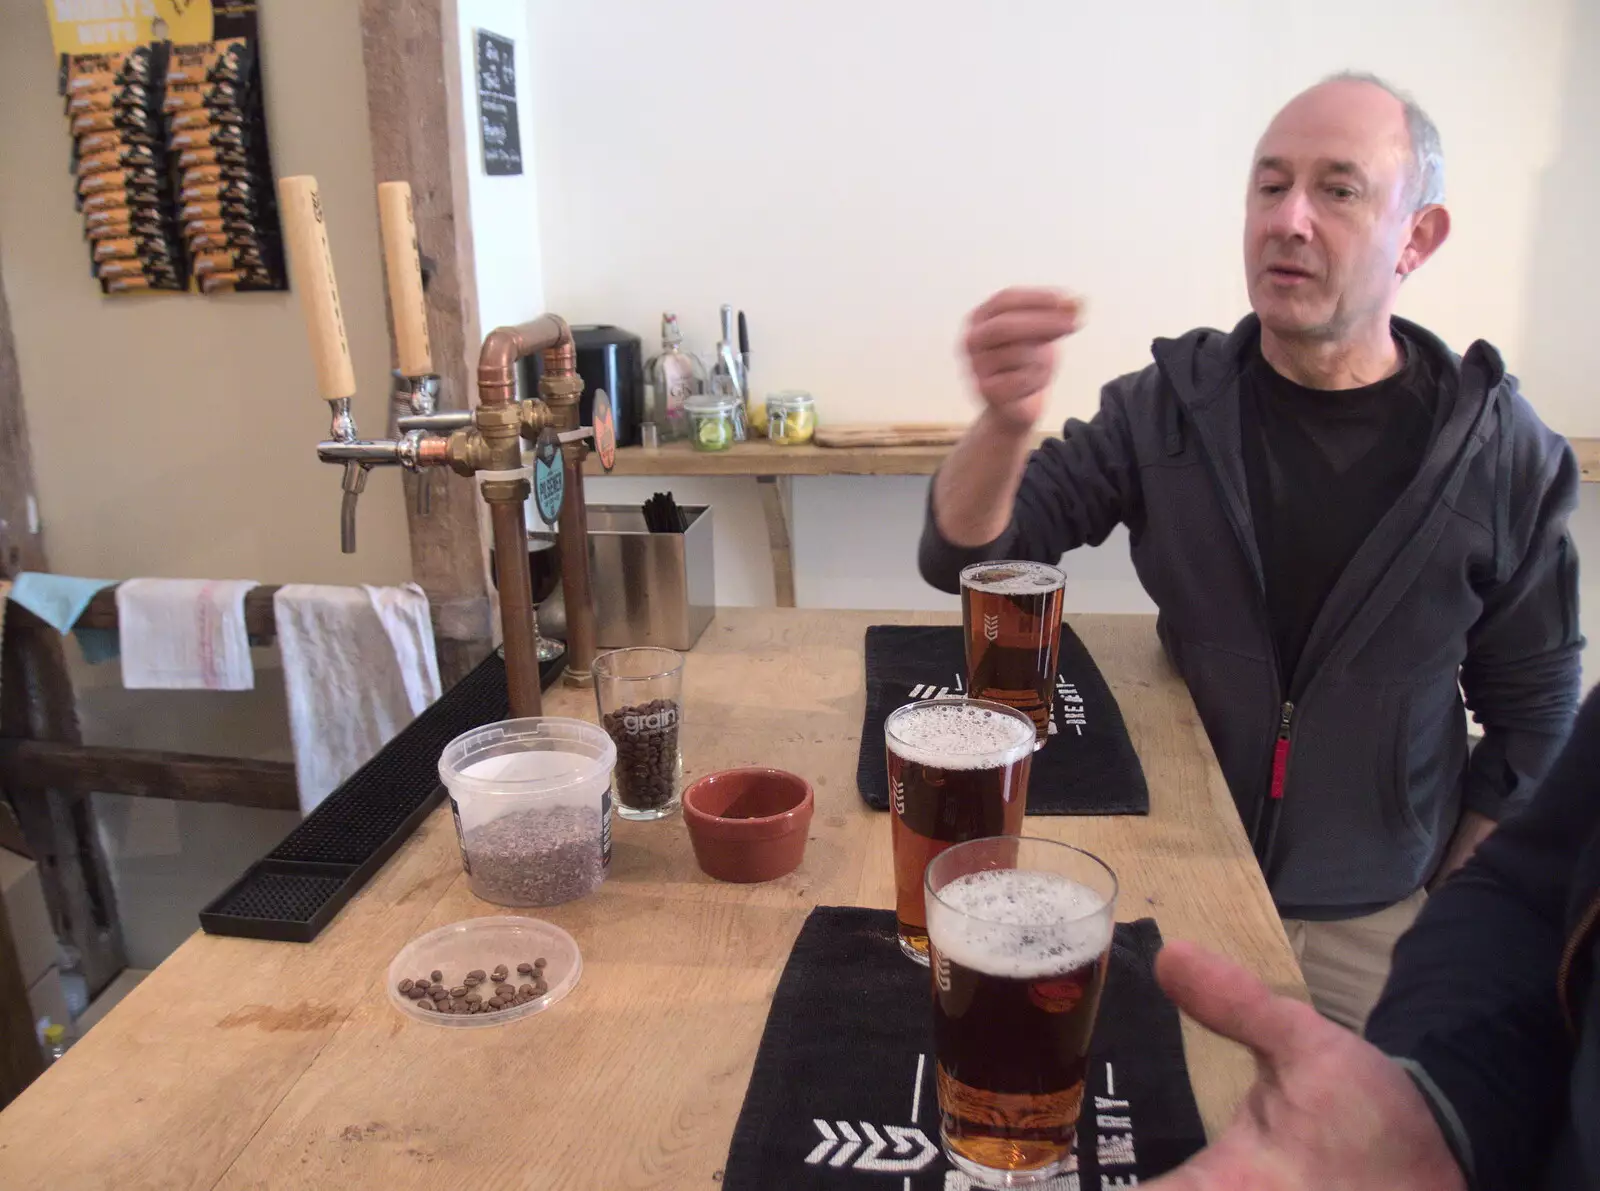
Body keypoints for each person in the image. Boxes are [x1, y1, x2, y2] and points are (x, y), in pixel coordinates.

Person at [918, 72, 1582, 1029]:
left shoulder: (1504, 454)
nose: (1290, 219)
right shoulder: (1170, 407)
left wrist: (1452, 912)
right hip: (1177, 897)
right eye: (1269, 187)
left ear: (1418, 236)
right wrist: (1002, 422)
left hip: (1385, 927)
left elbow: (1535, 716)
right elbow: (972, 558)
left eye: (1338, 190)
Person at [1144, 681, 1600, 1191]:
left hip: (1377, 897)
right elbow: (1532, 897)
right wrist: (1446, 1108)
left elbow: (1535, 701)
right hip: (1209, 863)